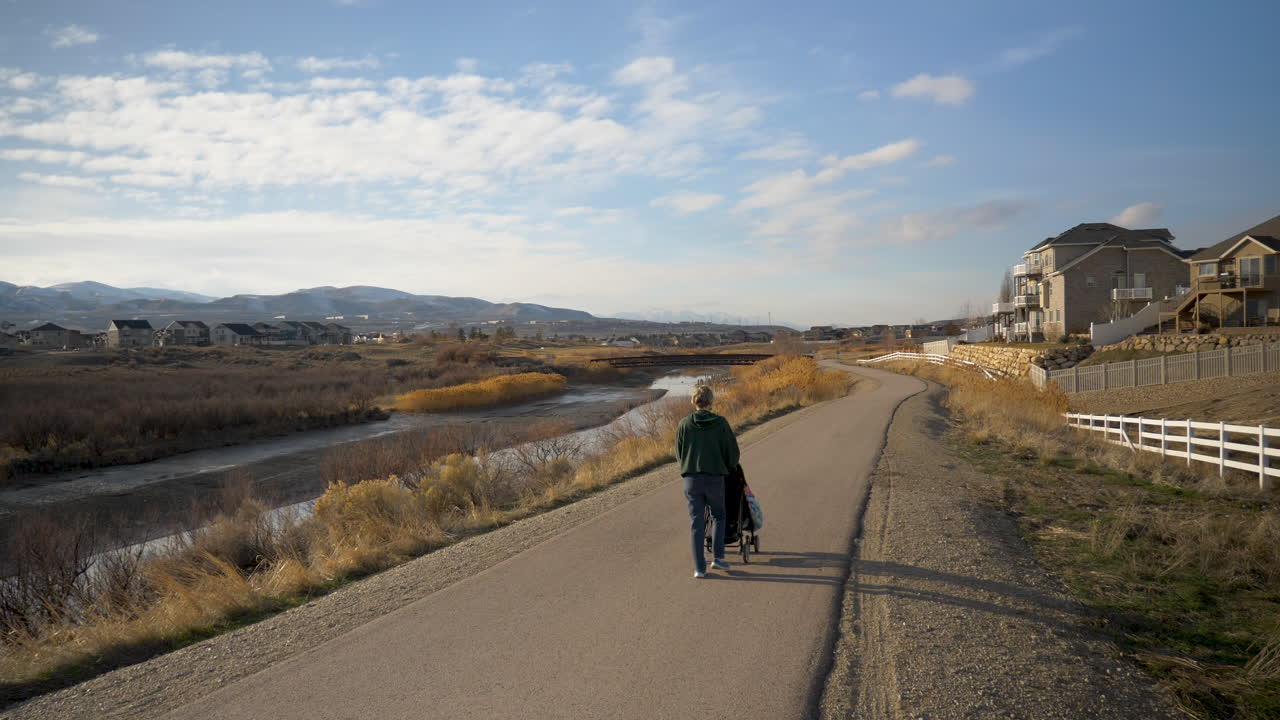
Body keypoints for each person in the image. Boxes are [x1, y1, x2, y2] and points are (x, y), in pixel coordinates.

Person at [675, 384, 740, 579]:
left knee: (696, 522)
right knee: (719, 516)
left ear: (694, 401)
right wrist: (729, 467)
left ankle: (699, 569)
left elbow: (679, 453)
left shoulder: (684, 424)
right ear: (711, 401)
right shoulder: (720, 423)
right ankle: (718, 557)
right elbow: (732, 452)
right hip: (714, 478)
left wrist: (686, 467)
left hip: (692, 479)